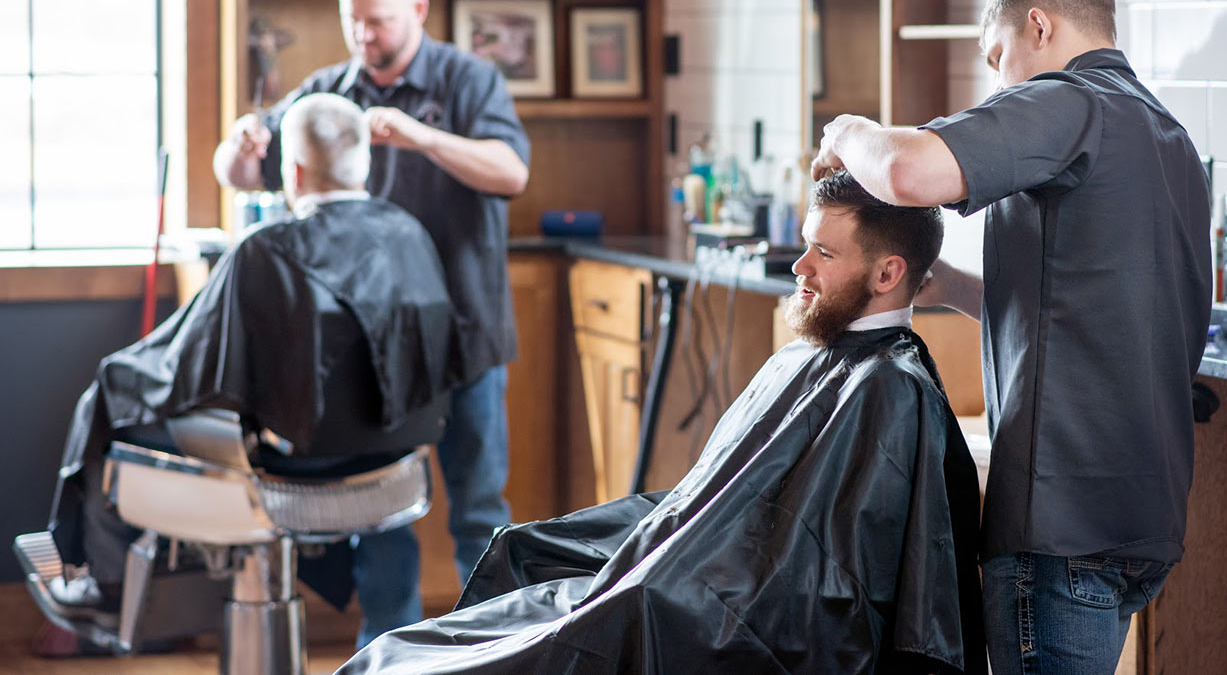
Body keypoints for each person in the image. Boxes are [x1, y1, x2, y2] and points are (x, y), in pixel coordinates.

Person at [333, 171, 985, 675]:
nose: (798, 267)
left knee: (433, 659)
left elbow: (830, 592)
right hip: (688, 574)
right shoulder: (818, 355)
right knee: (517, 554)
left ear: (888, 272)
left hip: (714, 612)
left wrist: (659, 584)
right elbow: (719, 505)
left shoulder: (889, 390)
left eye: (822, 252)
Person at [811, 0, 1212, 674]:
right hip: (1141, 524)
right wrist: (944, 284)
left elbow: (906, 170)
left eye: (998, 56)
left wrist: (842, 132)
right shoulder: (1169, 138)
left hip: (1060, 529)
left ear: (1039, 26)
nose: (998, 82)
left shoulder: (1070, 102)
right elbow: (1084, 305)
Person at [36, 93, 458, 645]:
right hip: (394, 471)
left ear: (295, 170)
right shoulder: (411, 234)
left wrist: (115, 379)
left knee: (110, 403)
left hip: (286, 472)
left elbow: (183, 362)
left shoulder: (268, 248)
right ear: (365, 164)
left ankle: (105, 586)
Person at [213, 0, 530, 646]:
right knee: (382, 507)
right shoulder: (332, 88)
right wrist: (238, 151)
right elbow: (248, 169)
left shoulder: (470, 81)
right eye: (353, 21)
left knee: (479, 506)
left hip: (465, 332)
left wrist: (422, 137)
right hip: (373, 347)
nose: (365, 37)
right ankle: (388, 651)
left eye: (380, 22)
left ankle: (497, 650)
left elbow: (511, 174)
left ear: (417, 10)